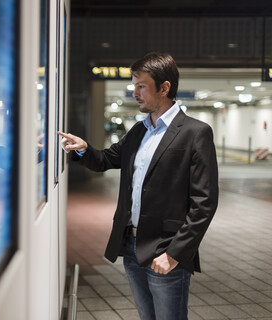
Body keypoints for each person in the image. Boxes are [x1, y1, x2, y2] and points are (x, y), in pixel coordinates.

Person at [58, 52, 218, 320]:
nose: (135, 93)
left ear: (164, 87)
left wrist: (175, 254)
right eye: (134, 86)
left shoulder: (195, 132)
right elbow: (106, 159)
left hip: (166, 250)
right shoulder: (139, 130)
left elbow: (204, 203)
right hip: (131, 246)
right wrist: (84, 149)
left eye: (141, 86)